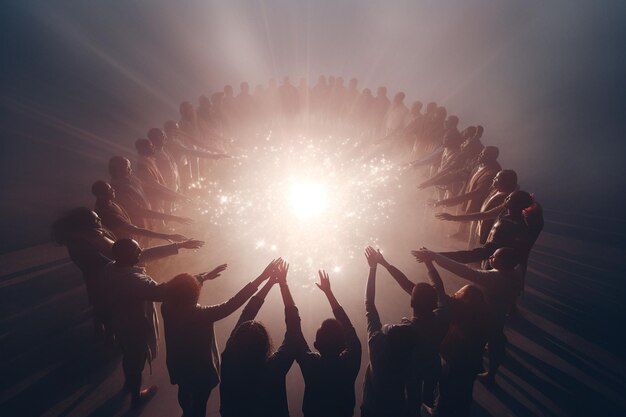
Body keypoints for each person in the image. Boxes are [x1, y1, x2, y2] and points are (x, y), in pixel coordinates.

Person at [160, 259, 279, 417]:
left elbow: (178, 288)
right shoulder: (202, 315)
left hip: (179, 365)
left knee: (184, 391)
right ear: (194, 296)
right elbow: (233, 303)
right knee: (199, 404)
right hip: (201, 371)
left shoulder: (166, 307)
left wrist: (204, 277)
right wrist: (262, 277)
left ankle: (186, 412)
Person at [100, 238, 204, 408]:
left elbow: (147, 254)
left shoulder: (111, 266)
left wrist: (179, 244)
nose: (141, 253)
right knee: (137, 362)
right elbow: (163, 292)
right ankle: (136, 396)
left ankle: (129, 383)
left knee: (129, 357)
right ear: (127, 256)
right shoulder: (134, 280)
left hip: (119, 321)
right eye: (137, 252)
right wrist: (198, 278)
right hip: (134, 328)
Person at [412, 247, 522, 386]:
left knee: (490, 343)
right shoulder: (516, 271)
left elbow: (464, 270)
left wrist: (435, 257)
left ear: (504, 263)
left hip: (486, 318)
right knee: (496, 340)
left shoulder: (494, 278)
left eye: (494, 257)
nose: (490, 258)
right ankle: (492, 370)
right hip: (499, 315)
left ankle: (490, 375)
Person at [410, 253, 491, 417]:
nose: (453, 295)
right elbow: (439, 289)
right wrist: (430, 265)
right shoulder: (481, 318)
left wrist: (430, 265)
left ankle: (439, 412)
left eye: (456, 294)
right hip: (471, 365)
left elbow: (438, 289)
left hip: (453, 363)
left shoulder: (453, 311)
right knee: (465, 393)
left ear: (460, 302)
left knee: (445, 393)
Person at [371, 248, 450, 412]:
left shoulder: (406, 329)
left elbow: (385, 329)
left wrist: (384, 264)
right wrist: (429, 264)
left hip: (413, 368)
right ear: (435, 303)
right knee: (430, 393)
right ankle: (430, 403)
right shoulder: (442, 316)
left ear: (411, 303)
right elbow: (438, 287)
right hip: (433, 362)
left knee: (413, 396)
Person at [220, 259, 300, 417]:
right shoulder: (274, 368)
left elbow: (246, 314)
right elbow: (294, 333)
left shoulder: (229, 361)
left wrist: (269, 282)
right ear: (265, 343)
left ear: (236, 341)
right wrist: (282, 284)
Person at [293, 270, 362, 417]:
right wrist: (329, 293)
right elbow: (349, 329)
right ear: (343, 344)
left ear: (315, 344)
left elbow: (295, 332)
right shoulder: (349, 363)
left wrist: (283, 285)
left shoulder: (311, 364)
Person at [360, 247, 419, 417]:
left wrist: (373, 269)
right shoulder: (409, 359)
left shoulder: (375, 343)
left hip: (371, 408)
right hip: (396, 408)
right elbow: (413, 390)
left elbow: (369, 303)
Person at [435, 169, 519, 247]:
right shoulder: (495, 190)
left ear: (505, 182)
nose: (494, 179)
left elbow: (486, 215)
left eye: (497, 178)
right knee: (472, 251)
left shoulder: (507, 200)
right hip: (480, 229)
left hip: (489, 235)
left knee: (478, 256)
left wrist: (454, 218)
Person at [92, 180, 190, 241]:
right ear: (101, 195)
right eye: (109, 189)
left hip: (133, 240)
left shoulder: (112, 203)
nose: (113, 190)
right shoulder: (107, 213)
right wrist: (166, 236)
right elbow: (133, 229)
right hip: (125, 249)